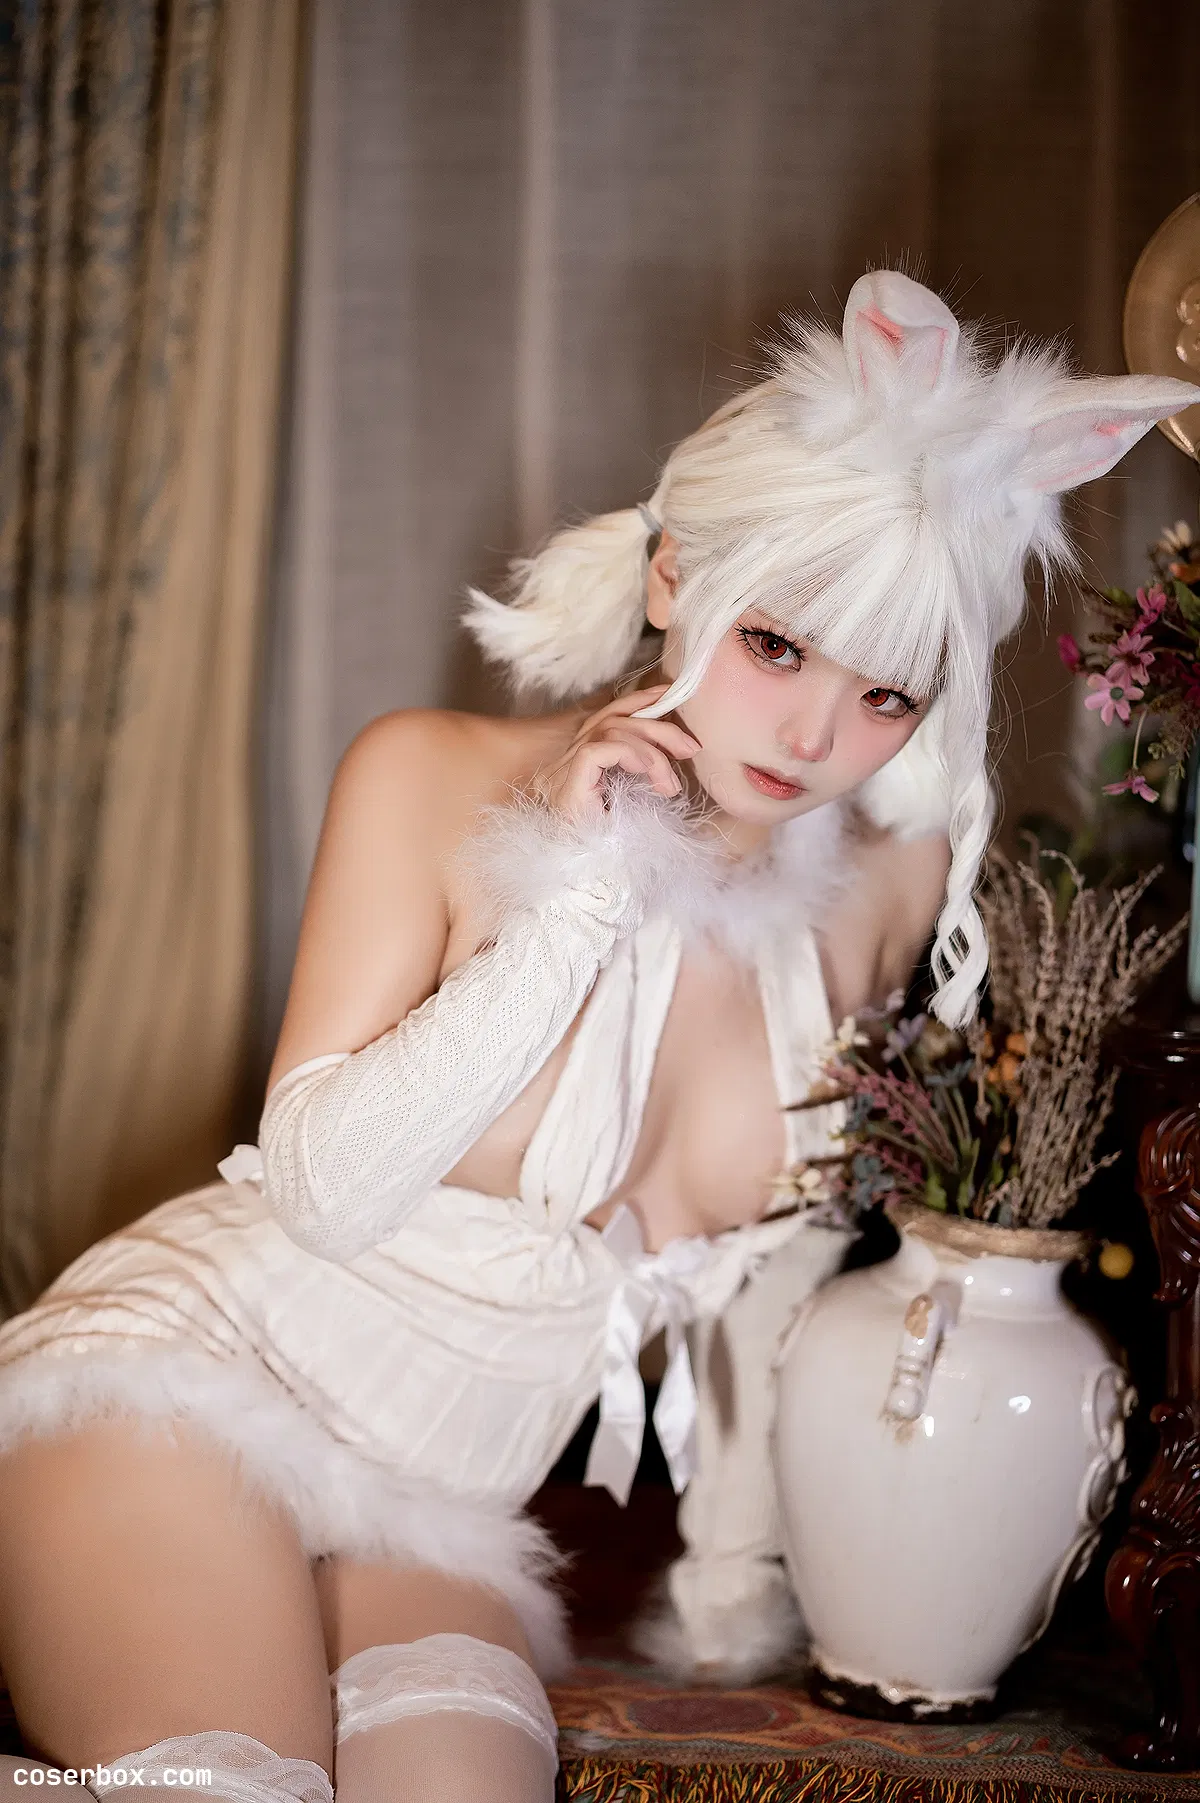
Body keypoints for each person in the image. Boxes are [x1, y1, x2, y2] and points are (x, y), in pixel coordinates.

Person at [0, 272, 1188, 1803]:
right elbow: (324, 1190)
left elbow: (773, 1272)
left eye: (887, 690)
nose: (814, 734)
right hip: (181, 1384)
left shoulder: (885, 893)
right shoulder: (431, 773)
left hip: (437, 1510)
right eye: (778, 643)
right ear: (675, 574)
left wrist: (731, 1577)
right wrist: (576, 892)